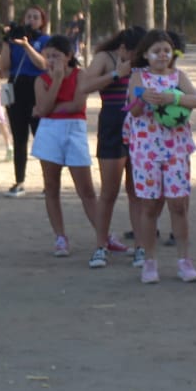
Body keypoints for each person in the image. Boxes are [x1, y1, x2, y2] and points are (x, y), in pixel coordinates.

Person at [123, 28, 196, 284]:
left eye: (166, 51)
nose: (161, 55)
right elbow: (133, 112)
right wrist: (142, 98)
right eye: (156, 51)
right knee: (149, 206)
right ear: (145, 54)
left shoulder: (179, 76)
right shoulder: (138, 78)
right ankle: (149, 262)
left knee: (178, 204)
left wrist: (174, 98)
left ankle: (184, 261)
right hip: (147, 150)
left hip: (176, 149)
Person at [30, 34, 103, 262]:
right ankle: (60, 236)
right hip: (49, 131)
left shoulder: (81, 75)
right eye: (48, 55)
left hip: (74, 129)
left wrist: (51, 107)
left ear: (69, 56)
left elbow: (77, 104)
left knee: (87, 190)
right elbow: (43, 109)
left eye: (56, 55)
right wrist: (57, 82)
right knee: (51, 186)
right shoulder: (41, 80)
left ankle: (103, 235)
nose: (51, 60)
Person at [79, 27, 146, 267]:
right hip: (112, 127)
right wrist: (117, 74)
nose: (140, 58)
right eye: (136, 53)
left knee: (136, 192)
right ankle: (100, 246)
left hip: (140, 129)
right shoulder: (104, 58)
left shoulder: (145, 62)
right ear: (122, 49)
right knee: (109, 192)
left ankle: (141, 247)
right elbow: (85, 86)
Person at [1, 5, 50, 196]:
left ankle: (49, 182)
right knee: (19, 137)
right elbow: (3, 67)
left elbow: (43, 64)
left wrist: (27, 46)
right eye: (28, 16)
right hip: (16, 87)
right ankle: (19, 181)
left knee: (41, 136)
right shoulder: (14, 41)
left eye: (36, 17)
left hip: (36, 88)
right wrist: (7, 42)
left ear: (42, 21)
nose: (31, 20)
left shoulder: (45, 40)